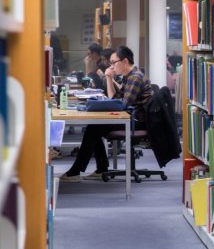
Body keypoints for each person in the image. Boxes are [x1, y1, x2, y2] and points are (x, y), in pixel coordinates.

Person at [60, 45, 153, 182]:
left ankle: (76, 171)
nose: (111, 66)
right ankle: (101, 168)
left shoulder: (135, 77)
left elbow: (122, 105)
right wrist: (109, 79)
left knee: (94, 128)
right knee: (95, 126)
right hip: (130, 118)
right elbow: (114, 100)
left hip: (136, 122)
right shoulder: (129, 76)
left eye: (114, 62)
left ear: (125, 61)